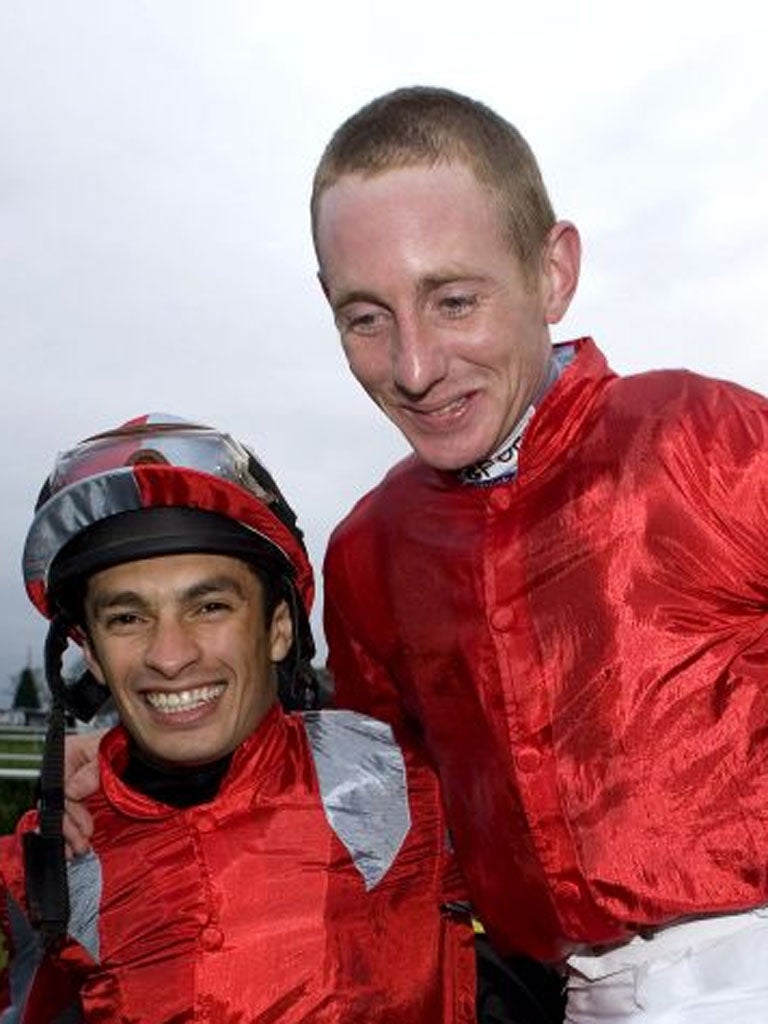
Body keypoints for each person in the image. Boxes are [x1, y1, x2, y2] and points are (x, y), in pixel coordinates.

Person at [311, 87, 768, 1021]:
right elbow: (378, 811)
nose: (414, 365)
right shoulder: (367, 552)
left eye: (453, 300)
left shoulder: (707, 439)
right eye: (366, 317)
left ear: (552, 272)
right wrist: (131, 786)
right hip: (567, 994)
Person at [0, 413, 476, 1022]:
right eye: (127, 618)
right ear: (90, 651)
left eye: (211, 605)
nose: (170, 656)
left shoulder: (411, 781)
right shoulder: (44, 861)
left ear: (278, 629)